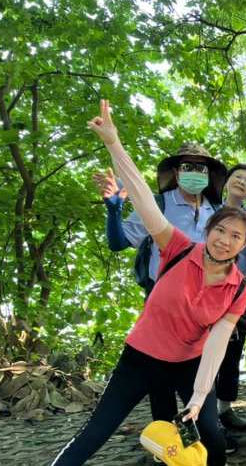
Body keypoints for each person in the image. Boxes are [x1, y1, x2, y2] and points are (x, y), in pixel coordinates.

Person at [2, 101, 246, 466]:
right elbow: (137, 193)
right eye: (220, 231)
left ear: (243, 246)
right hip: (140, 358)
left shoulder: (238, 288)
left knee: (211, 427)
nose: (225, 239)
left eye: (236, 236)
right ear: (209, 231)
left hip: (189, 361)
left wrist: (198, 395)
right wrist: (113, 142)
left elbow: (216, 342)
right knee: (92, 436)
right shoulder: (177, 247)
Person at [93, 144, 227, 424]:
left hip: (205, 303)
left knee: (201, 369)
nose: (194, 173)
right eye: (187, 166)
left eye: (200, 167)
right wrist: (114, 209)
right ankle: (164, 435)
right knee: (160, 371)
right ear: (176, 172)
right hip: (163, 301)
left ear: (209, 173)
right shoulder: (158, 204)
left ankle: (206, 433)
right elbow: (118, 243)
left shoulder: (217, 210)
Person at [216, 164, 246, 431]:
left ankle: (225, 409)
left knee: (232, 351)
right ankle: (203, 411)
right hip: (207, 290)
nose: (242, 182)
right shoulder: (210, 209)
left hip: (238, 291)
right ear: (226, 181)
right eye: (238, 177)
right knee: (203, 353)